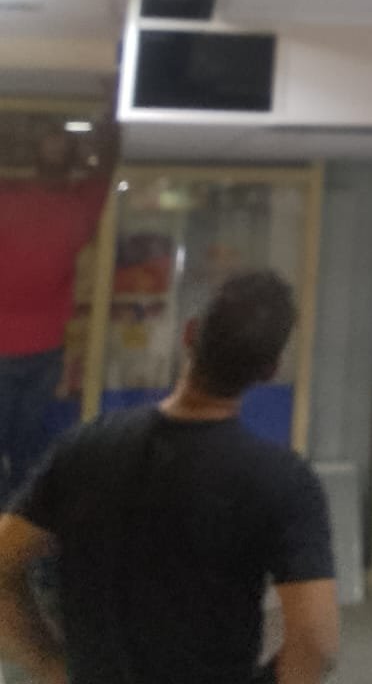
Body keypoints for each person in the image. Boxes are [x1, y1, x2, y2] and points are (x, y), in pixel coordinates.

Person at [0, 270, 339, 684]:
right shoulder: (284, 482)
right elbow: (316, 643)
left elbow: (3, 559)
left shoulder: (84, 448)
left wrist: (50, 665)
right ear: (269, 369)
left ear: (190, 334)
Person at [0, 117, 119, 505]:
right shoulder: (18, 196)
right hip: (34, 348)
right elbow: (105, 164)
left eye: (59, 142)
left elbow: (106, 165)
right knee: (25, 451)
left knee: (26, 452)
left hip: (41, 350)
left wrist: (113, 110)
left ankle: (15, 530)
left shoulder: (75, 204)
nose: (54, 147)